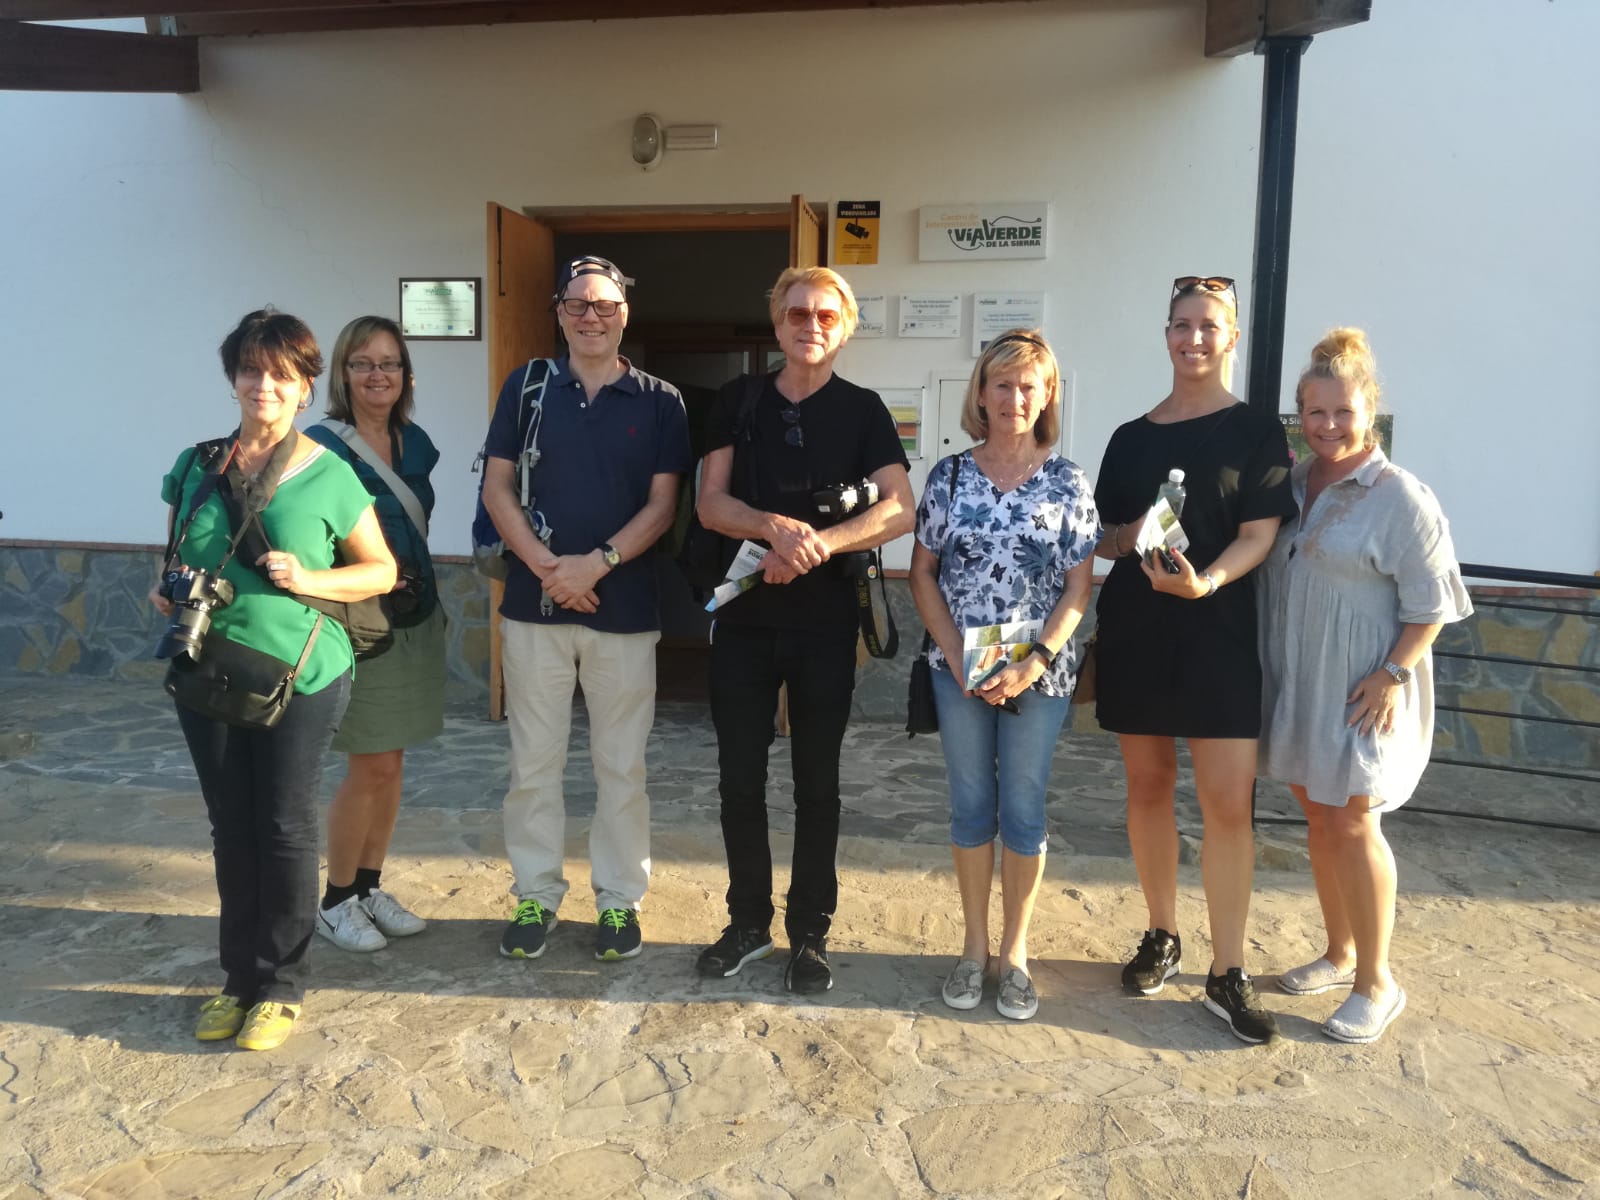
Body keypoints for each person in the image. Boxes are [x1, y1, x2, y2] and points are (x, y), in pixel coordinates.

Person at [152, 308, 396, 1050]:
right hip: (208, 670)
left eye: (280, 375)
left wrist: (311, 573)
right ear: (233, 379)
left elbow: (381, 570)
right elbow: (171, 549)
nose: (264, 385)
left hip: (302, 673)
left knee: (284, 826)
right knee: (231, 826)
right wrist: (165, 589)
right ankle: (239, 979)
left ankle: (283, 985)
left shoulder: (330, 474)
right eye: (251, 371)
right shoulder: (198, 464)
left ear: (304, 388)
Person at [694, 266, 914, 993]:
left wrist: (821, 545)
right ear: (776, 321)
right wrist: (775, 528)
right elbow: (711, 504)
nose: (809, 324)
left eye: (825, 315)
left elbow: (898, 508)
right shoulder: (738, 400)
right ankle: (747, 923)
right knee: (739, 781)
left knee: (818, 785)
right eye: (796, 312)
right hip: (745, 620)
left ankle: (809, 931)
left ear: (844, 326)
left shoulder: (864, 410)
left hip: (824, 626)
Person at [1092, 276, 1295, 1044]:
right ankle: (1162, 934)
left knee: (1225, 805)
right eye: (1182, 325)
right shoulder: (1129, 438)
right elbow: (1103, 536)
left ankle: (1228, 971)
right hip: (1140, 628)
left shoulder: (1255, 432)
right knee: (1147, 787)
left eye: (1209, 326)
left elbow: (1259, 534)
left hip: (1219, 632)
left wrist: (1205, 581)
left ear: (1232, 337)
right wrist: (1131, 533)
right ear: (1166, 333)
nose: (1194, 338)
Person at [1259, 328, 1471, 1043]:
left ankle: (1377, 983)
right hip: (1299, 679)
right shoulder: (1290, 484)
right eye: (1315, 414)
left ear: (1370, 409)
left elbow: (1434, 603)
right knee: (1318, 817)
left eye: (1343, 412)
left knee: (1353, 820)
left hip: (1363, 689)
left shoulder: (1401, 497)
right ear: (1300, 413)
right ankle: (1339, 950)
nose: (1329, 426)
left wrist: (1392, 673)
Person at [481, 255, 691, 963]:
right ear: (559, 312)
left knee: (620, 767)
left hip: (625, 609)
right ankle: (535, 894)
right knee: (533, 764)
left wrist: (594, 565)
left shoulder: (661, 401)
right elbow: (497, 488)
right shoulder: (527, 388)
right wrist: (548, 569)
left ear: (625, 312)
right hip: (534, 610)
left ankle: (618, 901)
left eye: (603, 304)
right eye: (577, 305)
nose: (590, 315)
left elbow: (664, 506)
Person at [908, 331, 1098, 1020]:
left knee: (1022, 808)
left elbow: (1080, 587)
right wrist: (956, 653)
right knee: (968, 807)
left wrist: (1037, 660)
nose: (1014, 398)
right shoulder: (950, 478)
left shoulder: (1068, 480)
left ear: (1047, 395)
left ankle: (1013, 953)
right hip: (957, 669)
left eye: (1029, 386)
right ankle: (972, 946)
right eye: (1002, 385)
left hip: (1037, 676)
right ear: (981, 394)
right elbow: (922, 573)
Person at [304, 316, 446, 953]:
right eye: (363, 363)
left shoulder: (414, 442)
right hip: (356, 622)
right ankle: (336, 901)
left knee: (392, 764)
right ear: (342, 373)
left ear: (406, 374)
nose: (377, 374)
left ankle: (367, 886)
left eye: (389, 362)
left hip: (414, 616)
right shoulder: (317, 448)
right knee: (371, 764)